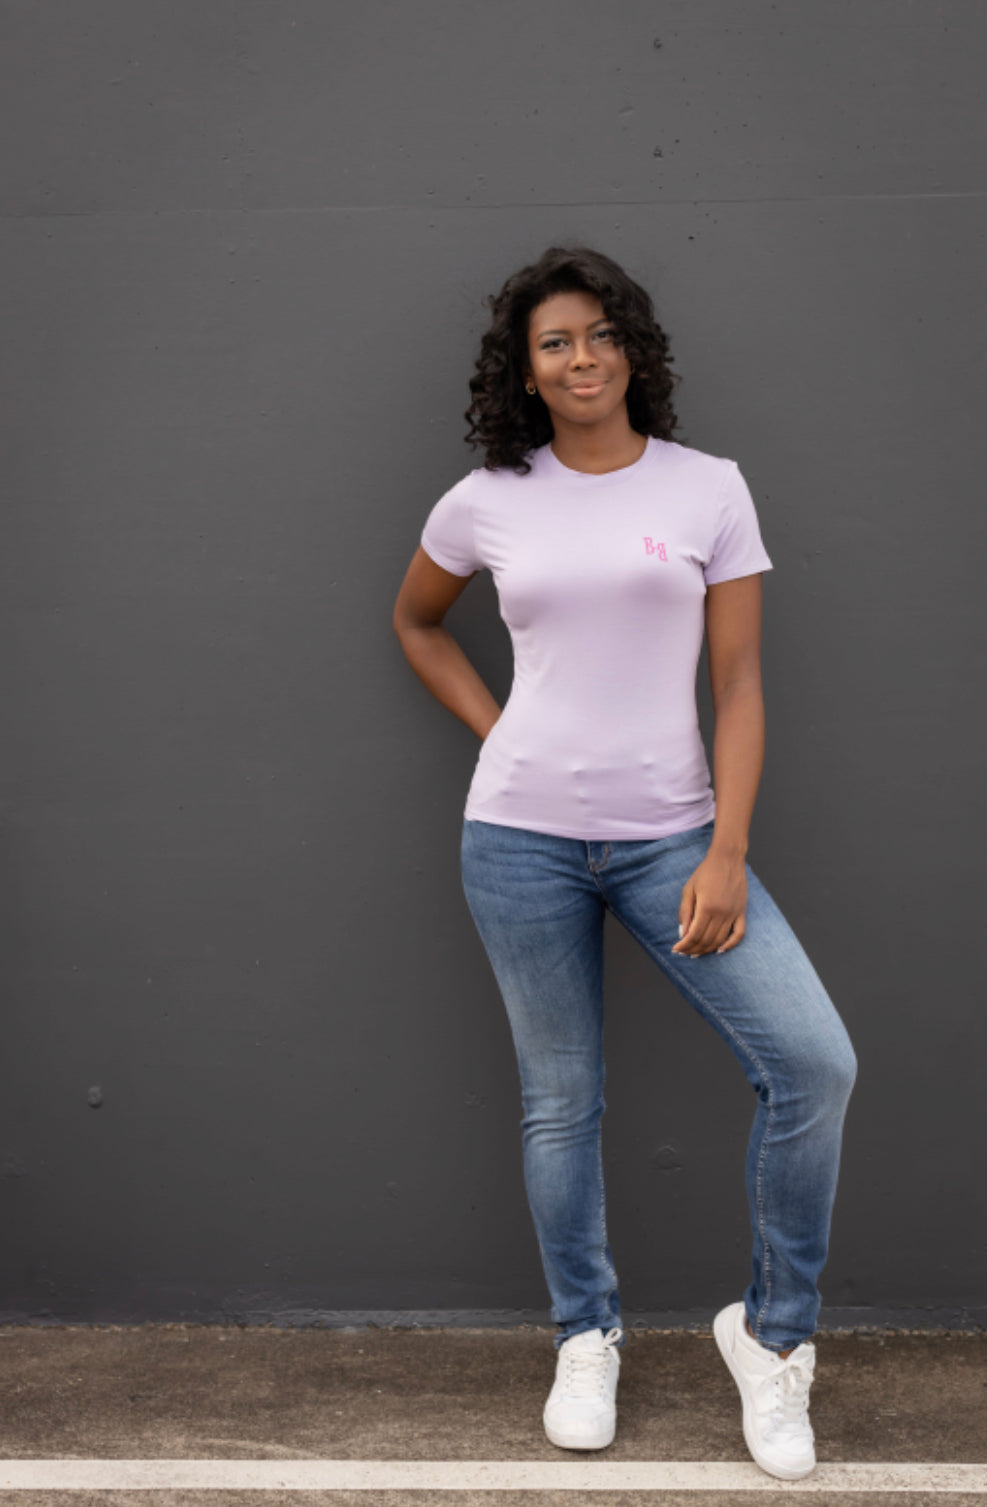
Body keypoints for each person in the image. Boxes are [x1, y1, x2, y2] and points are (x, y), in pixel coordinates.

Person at [392, 245, 856, 1482]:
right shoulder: (486, 498)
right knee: (562, 1102)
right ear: (525, 371)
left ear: (634, 350)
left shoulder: (708, 489)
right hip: (519, 840)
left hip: (674, 840)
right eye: (556, 342)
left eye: (602, 334)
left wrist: (727, 847)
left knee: (813, 1063)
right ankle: (584, 1334)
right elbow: (416, 622)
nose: (582, 357)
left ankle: (773, 1338)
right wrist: (501, 730)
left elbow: (740, 683)